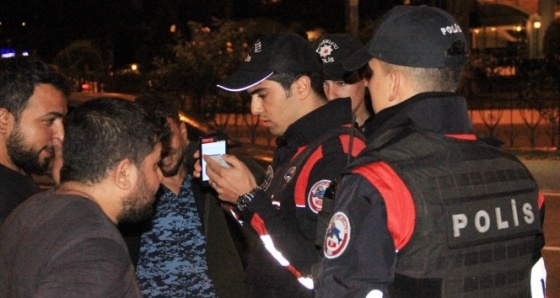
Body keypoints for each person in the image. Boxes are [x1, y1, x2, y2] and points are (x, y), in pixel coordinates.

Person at [317, 5, 546, 298]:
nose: (368, 84)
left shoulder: (379, 182)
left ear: (394, 83)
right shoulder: (519, 177)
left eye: (370, 74)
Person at [197, 32, 366, 297]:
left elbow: (318, 268)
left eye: (262, 94)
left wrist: (249, 198)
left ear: (300, 87)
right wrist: (236, 199)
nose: (254, 108)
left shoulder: (336, 154)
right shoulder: (295, 145)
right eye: (251, 96)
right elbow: (275, 237)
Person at [0, 98, 167, 296]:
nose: (160, 176)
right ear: (123, 174)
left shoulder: (29, 211)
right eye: (155, 166)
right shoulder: (95, 247)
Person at [129, 93, 264, 298]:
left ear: (183, 132)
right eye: (150, 140)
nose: (162, 148)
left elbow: (261, 183)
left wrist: (216, 162)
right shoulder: (133, 190)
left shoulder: (209, 178)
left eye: (167, 136)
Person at [0, 57, 70, 223]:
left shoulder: (17, 178)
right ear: (3, 119)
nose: (61, 136)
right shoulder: (7, 206)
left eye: (62, 122)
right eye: (49, 121)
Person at [313, 33, 373, 136]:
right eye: (324, 84)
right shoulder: (310, 135)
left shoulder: (387, 134)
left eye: (341, 83)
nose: (330, 95)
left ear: (366, 78)